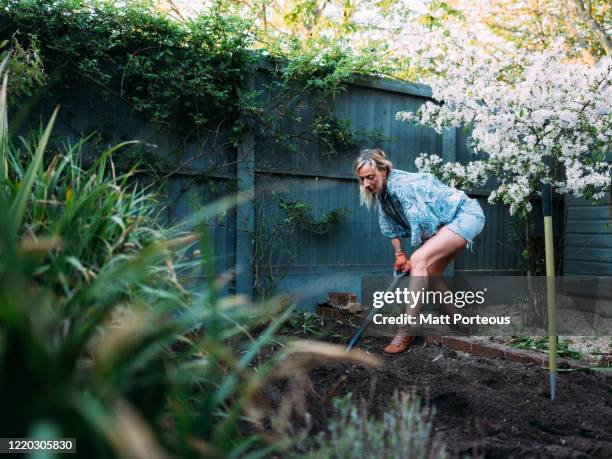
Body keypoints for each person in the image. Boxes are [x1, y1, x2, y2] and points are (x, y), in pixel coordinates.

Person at [354, 148, 486, 355]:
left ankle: (406, 330)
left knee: (420, 259)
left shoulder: (403, 187)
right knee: (431, 272)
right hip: (448, 221)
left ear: (384, 170)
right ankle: (460, 323)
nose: (367, 184)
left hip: (466, 215)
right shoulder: (382, 193)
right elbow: (388, 225)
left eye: (370, 177)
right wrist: (399, 255)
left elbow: (424, 223)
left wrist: (413, 260)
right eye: (362, 180)